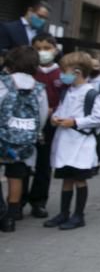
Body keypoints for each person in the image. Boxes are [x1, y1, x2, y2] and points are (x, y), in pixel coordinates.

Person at [43, 51, 100, 230]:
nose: (63, 76)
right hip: (64, 142)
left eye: (65, 72)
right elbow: (61, 110)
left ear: (77, 72)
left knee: (79, 178)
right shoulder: (67, 92)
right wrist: (55, 118)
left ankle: (79, 215)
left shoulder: (92, 94)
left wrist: (76, 122)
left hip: (81, 143)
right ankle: (64, 213)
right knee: (66, 178)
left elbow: (99, 118)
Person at [0, 46, 47, 232]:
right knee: (16, 176)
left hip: (2, 136)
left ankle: (1, 212)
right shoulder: (39, 88)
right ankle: (12, 216)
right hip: (24, 139)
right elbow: (42, 115)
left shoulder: (3, 82)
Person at [25, 33, 62, 218]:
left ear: (55, 49)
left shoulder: (62, 73)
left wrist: (54, 111)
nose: (42, 52)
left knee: (44, 164)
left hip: (51, 125)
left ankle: (38, 201)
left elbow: (67, 99)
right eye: (38, 48)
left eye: (46, 48)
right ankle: (18, 200)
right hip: (27, 124)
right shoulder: (29, 71)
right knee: (23, 162)